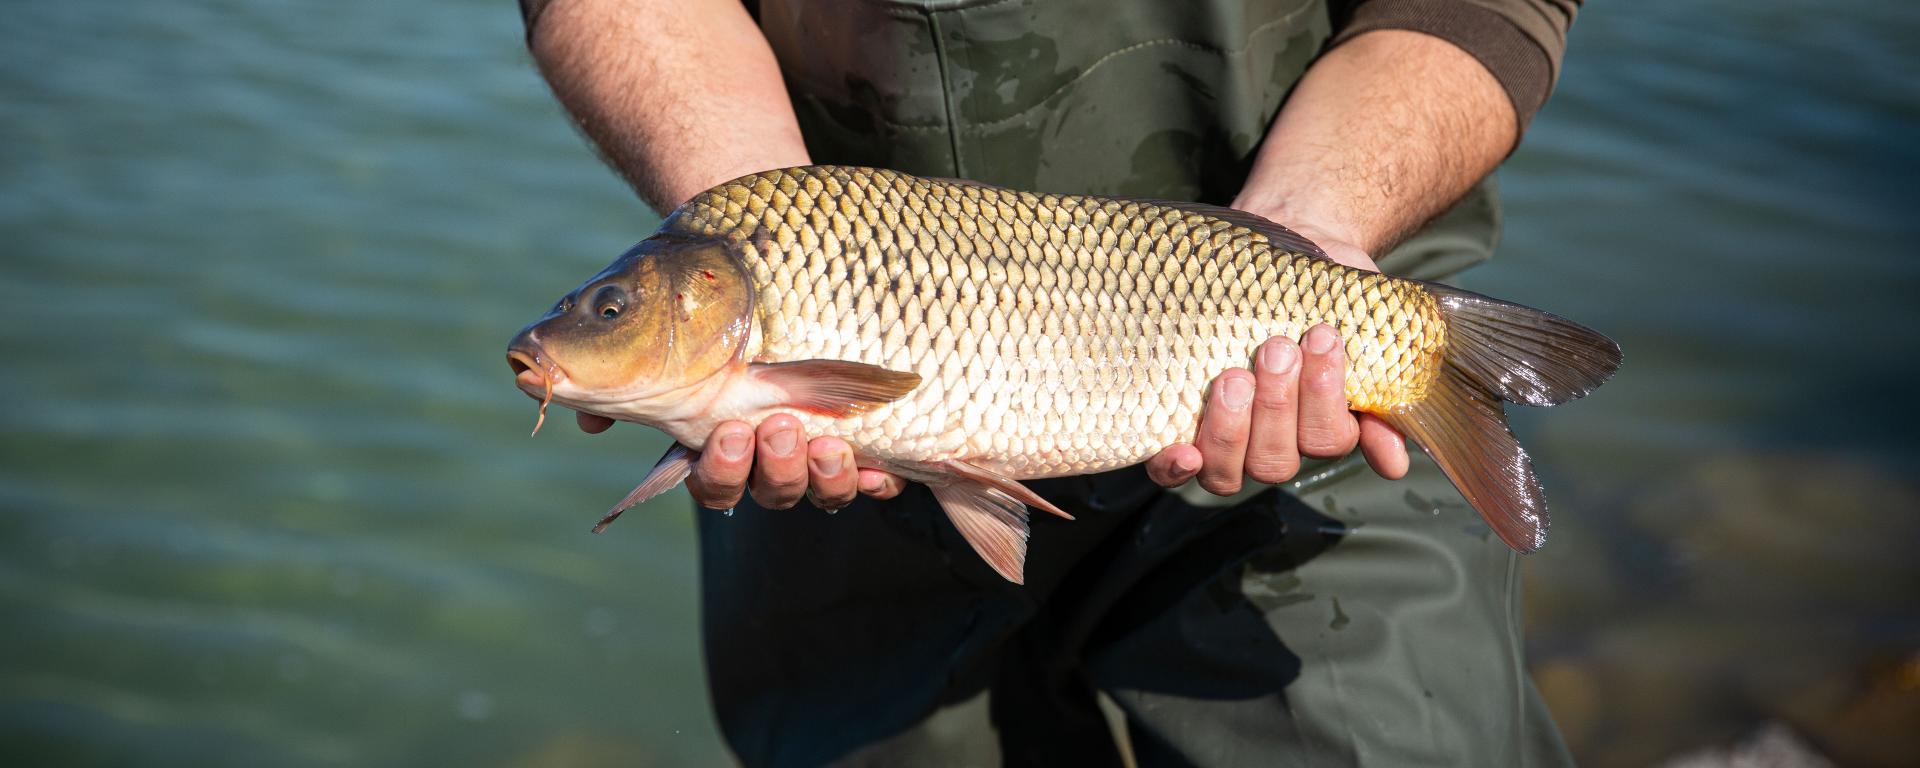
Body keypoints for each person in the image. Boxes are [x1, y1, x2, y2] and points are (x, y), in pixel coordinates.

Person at [518, 0, 1580, 764]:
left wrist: (1313, 227)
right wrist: (751, 202)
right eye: (605, 311)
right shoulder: (763, 278)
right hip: (851, 453)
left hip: (1307, 303)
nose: (577, 329)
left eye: (609, 310)